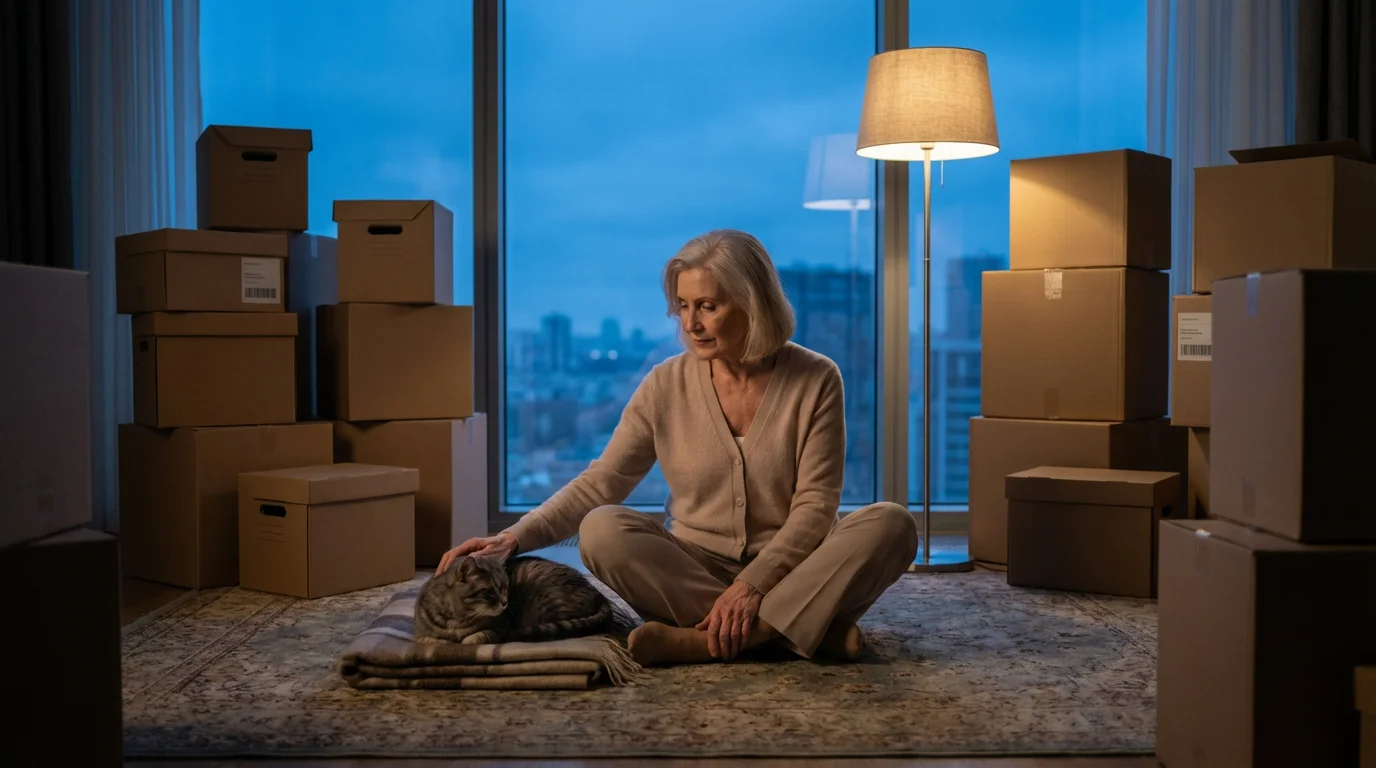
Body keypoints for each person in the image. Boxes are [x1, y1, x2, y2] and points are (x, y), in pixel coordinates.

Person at [436, 229, 918, 666]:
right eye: (682, 307)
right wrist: (512, 538)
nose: (691, 324)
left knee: (892, 524)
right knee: (601, 529)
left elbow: (815, 506)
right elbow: (603, 481)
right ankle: (801, 631)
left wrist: (753, 585)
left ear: (753, 303)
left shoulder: (816, 378)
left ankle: (713, 641)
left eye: (708, 306)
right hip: (694, 569)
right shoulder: (664, 384)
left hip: (795, 568)